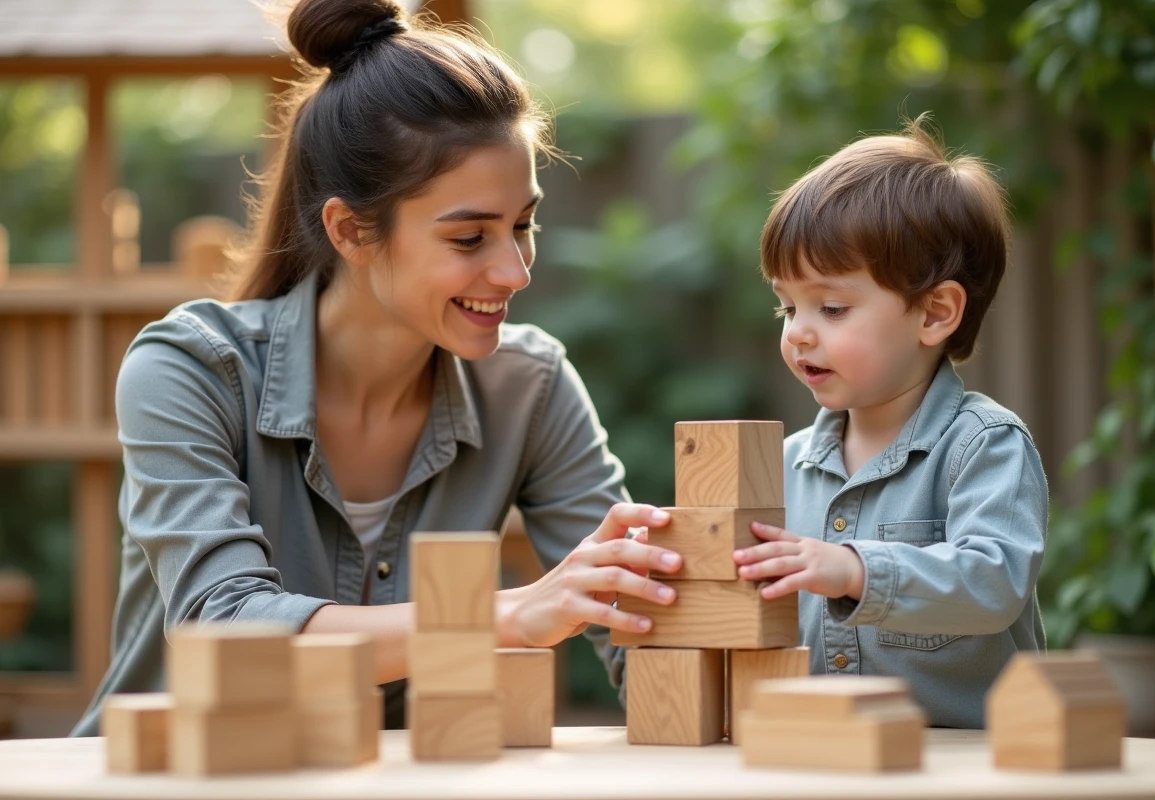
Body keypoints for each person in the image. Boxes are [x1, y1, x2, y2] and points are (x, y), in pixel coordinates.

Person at [72, 0, 682, 737]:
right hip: (168, 778)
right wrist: (515, 611)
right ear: (352, 230)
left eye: (523, 225)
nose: (515, 270)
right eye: (468, 238)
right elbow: (221, 625)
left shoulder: (532, 387)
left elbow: (633, 623)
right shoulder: (190, 371)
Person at [732, 115, 1048, 728]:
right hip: (826, 755)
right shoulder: (783, 463)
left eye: (830, 307)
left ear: (935, 313)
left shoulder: (984, 446)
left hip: (970, 768)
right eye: (786, 305)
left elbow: (994, 581)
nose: (797, 330)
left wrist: (855, 569)